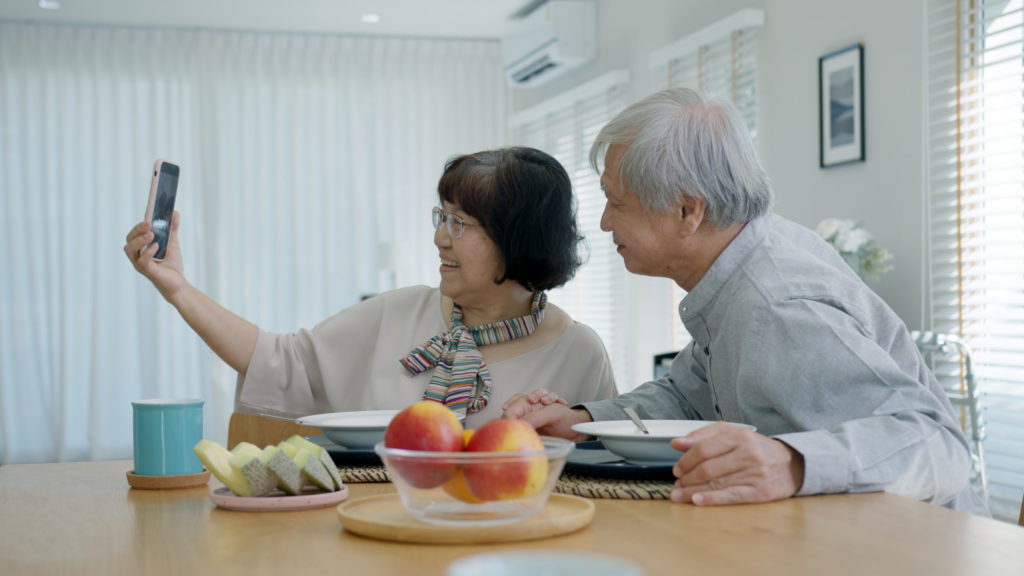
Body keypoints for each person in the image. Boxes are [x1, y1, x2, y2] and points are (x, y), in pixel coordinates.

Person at [502, 88, 989, 515]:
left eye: (617, 202)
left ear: (687, 210)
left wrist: (791, 463)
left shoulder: (780, 303)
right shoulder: (736, 269)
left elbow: (940, 446)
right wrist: (583, 423)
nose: (606, 223)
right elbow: (687, 396)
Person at [124, 147, 616, 428]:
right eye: (441, 218)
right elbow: (280, 362)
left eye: (461, 223)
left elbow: (605, 477)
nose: (439, 237)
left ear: (518, 241)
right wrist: (178, 290)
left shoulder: (580, 353)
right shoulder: (397, 314)